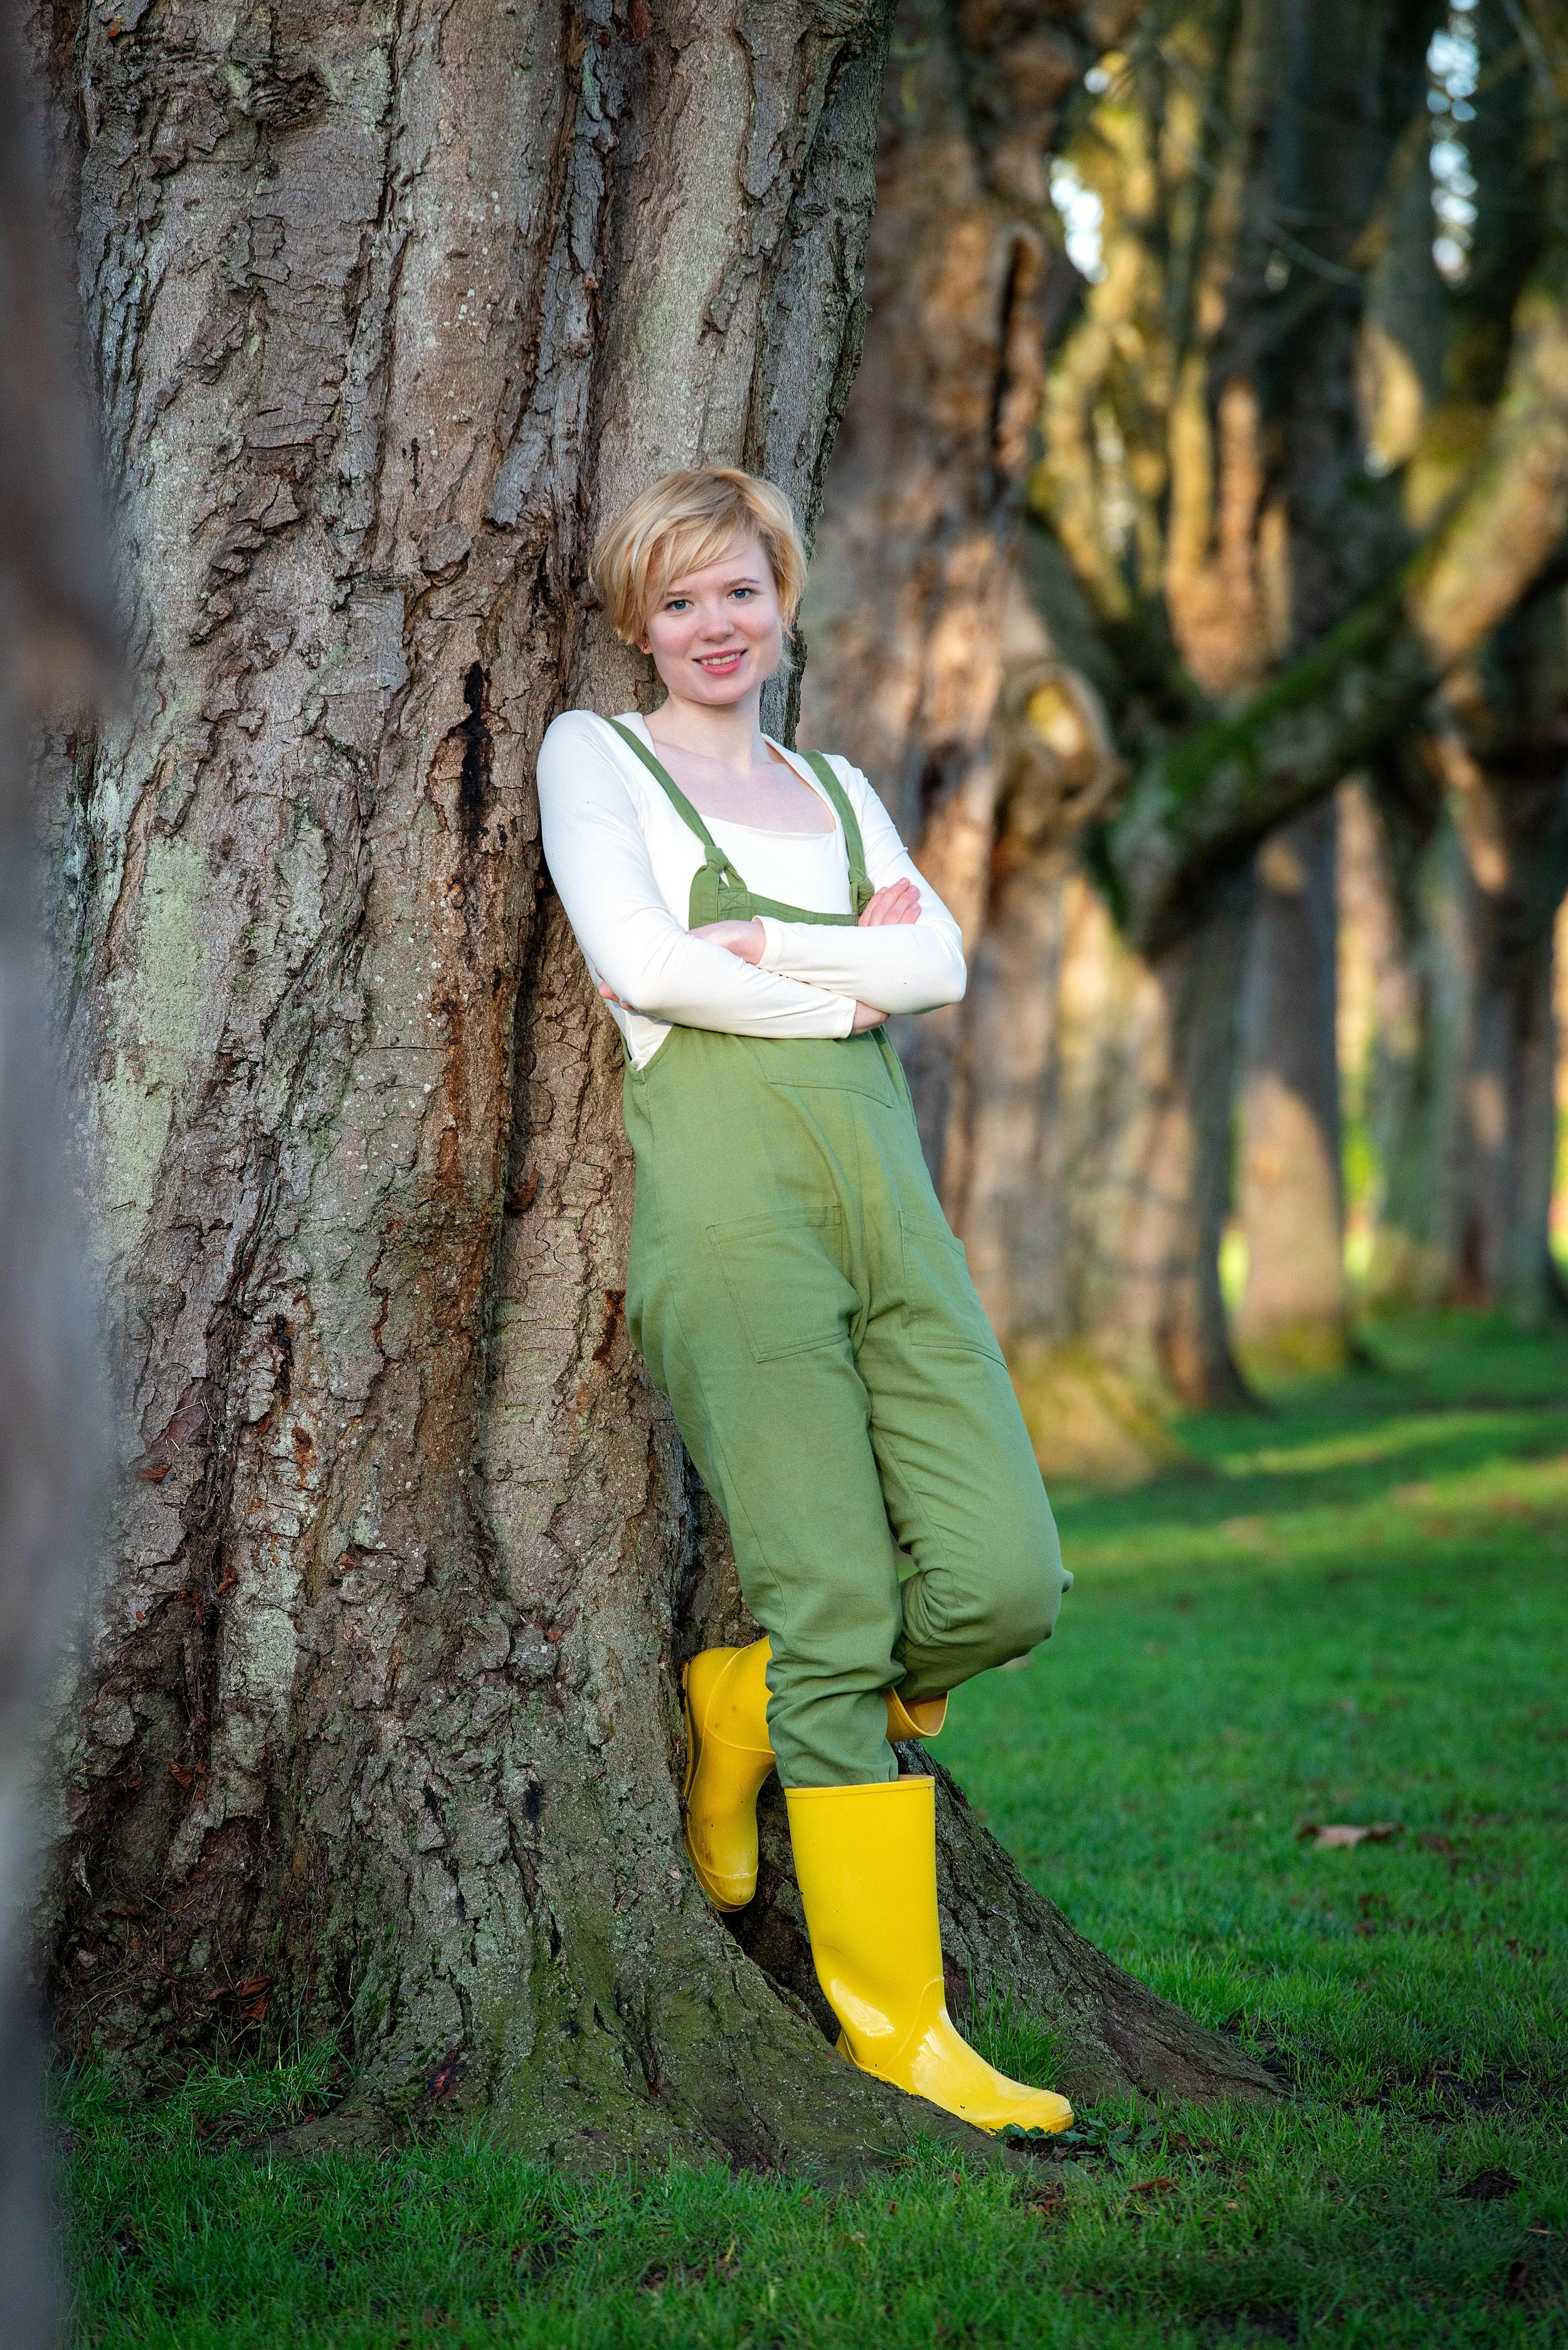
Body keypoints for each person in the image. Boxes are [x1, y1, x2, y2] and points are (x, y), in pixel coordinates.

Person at [537, 467, 1073, 2135]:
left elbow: (938, 967)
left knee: (1002, 1581)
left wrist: (770, 958)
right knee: (835, 1605)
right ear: (638, 619)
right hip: (730, 1229)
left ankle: (747, 1700)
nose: (713, 625)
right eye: (679, 598)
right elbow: (643, 963)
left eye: (740, 590)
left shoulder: (838, 785)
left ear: (784, 601)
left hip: (892, 1223)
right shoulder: (593, 758)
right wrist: (835, 967)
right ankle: (896, 2030)